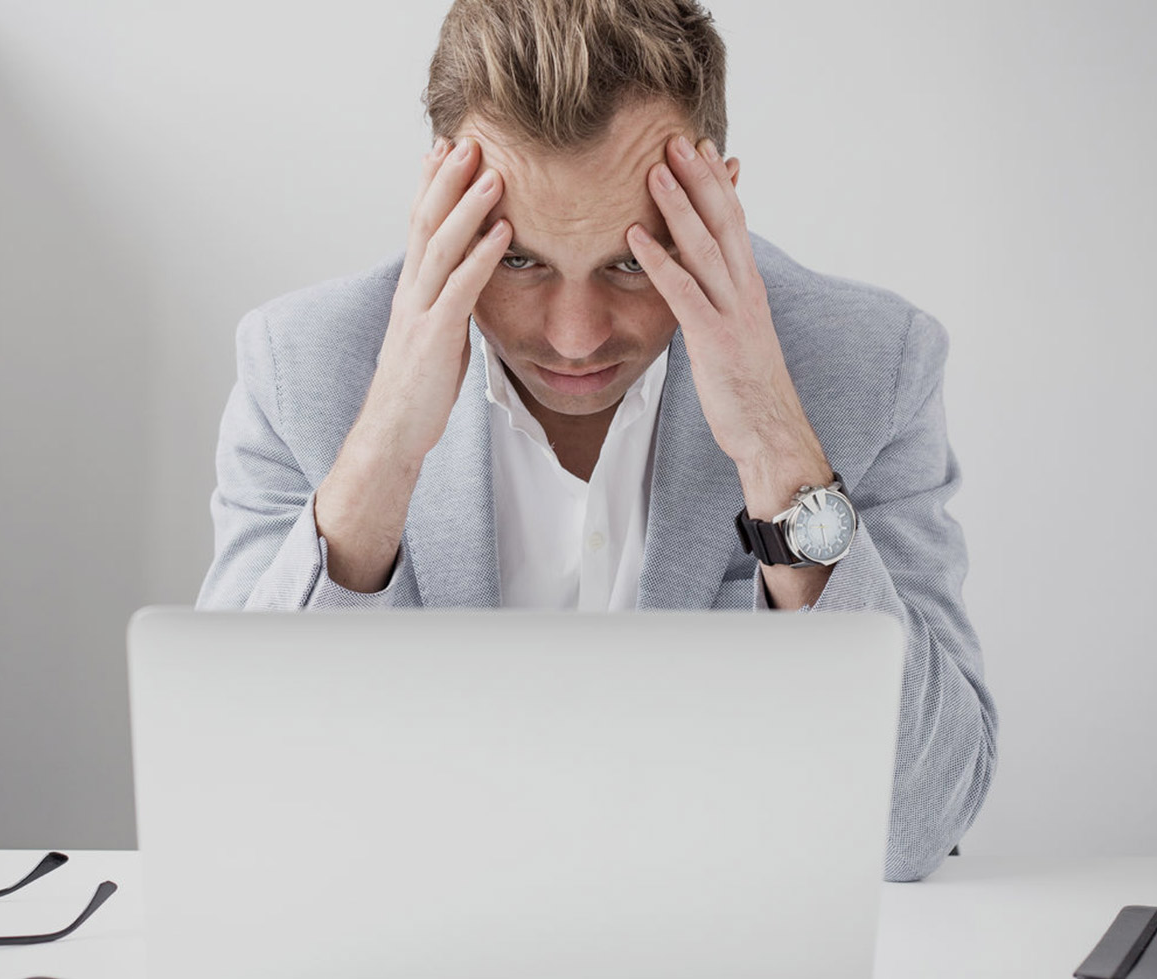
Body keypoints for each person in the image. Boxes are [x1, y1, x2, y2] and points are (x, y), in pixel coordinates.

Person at [196, 0, 996, 883]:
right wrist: (384, 448)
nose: (575, 338)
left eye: (628, 262)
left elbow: (918, 823)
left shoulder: (870, 366)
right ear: (441, 207)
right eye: (520, 261)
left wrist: (777, 448)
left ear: (715, 203)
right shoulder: (301, 367)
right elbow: (230, 800)